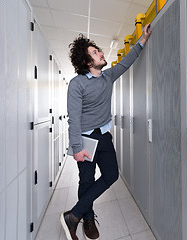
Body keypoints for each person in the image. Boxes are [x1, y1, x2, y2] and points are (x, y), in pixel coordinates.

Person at [60, 23, 152, 240]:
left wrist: (143, 40)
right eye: (95, 52)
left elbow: (126, 62)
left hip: (104, 137)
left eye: (98, 50)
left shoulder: (108, 76)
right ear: (87, 62)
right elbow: (74, 118)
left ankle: (73, 215)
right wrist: (76, 148)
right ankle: (87, 218)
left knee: (111, 175)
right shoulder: (77, 84)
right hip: (85, 139)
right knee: (86, 181)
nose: (101, 53)